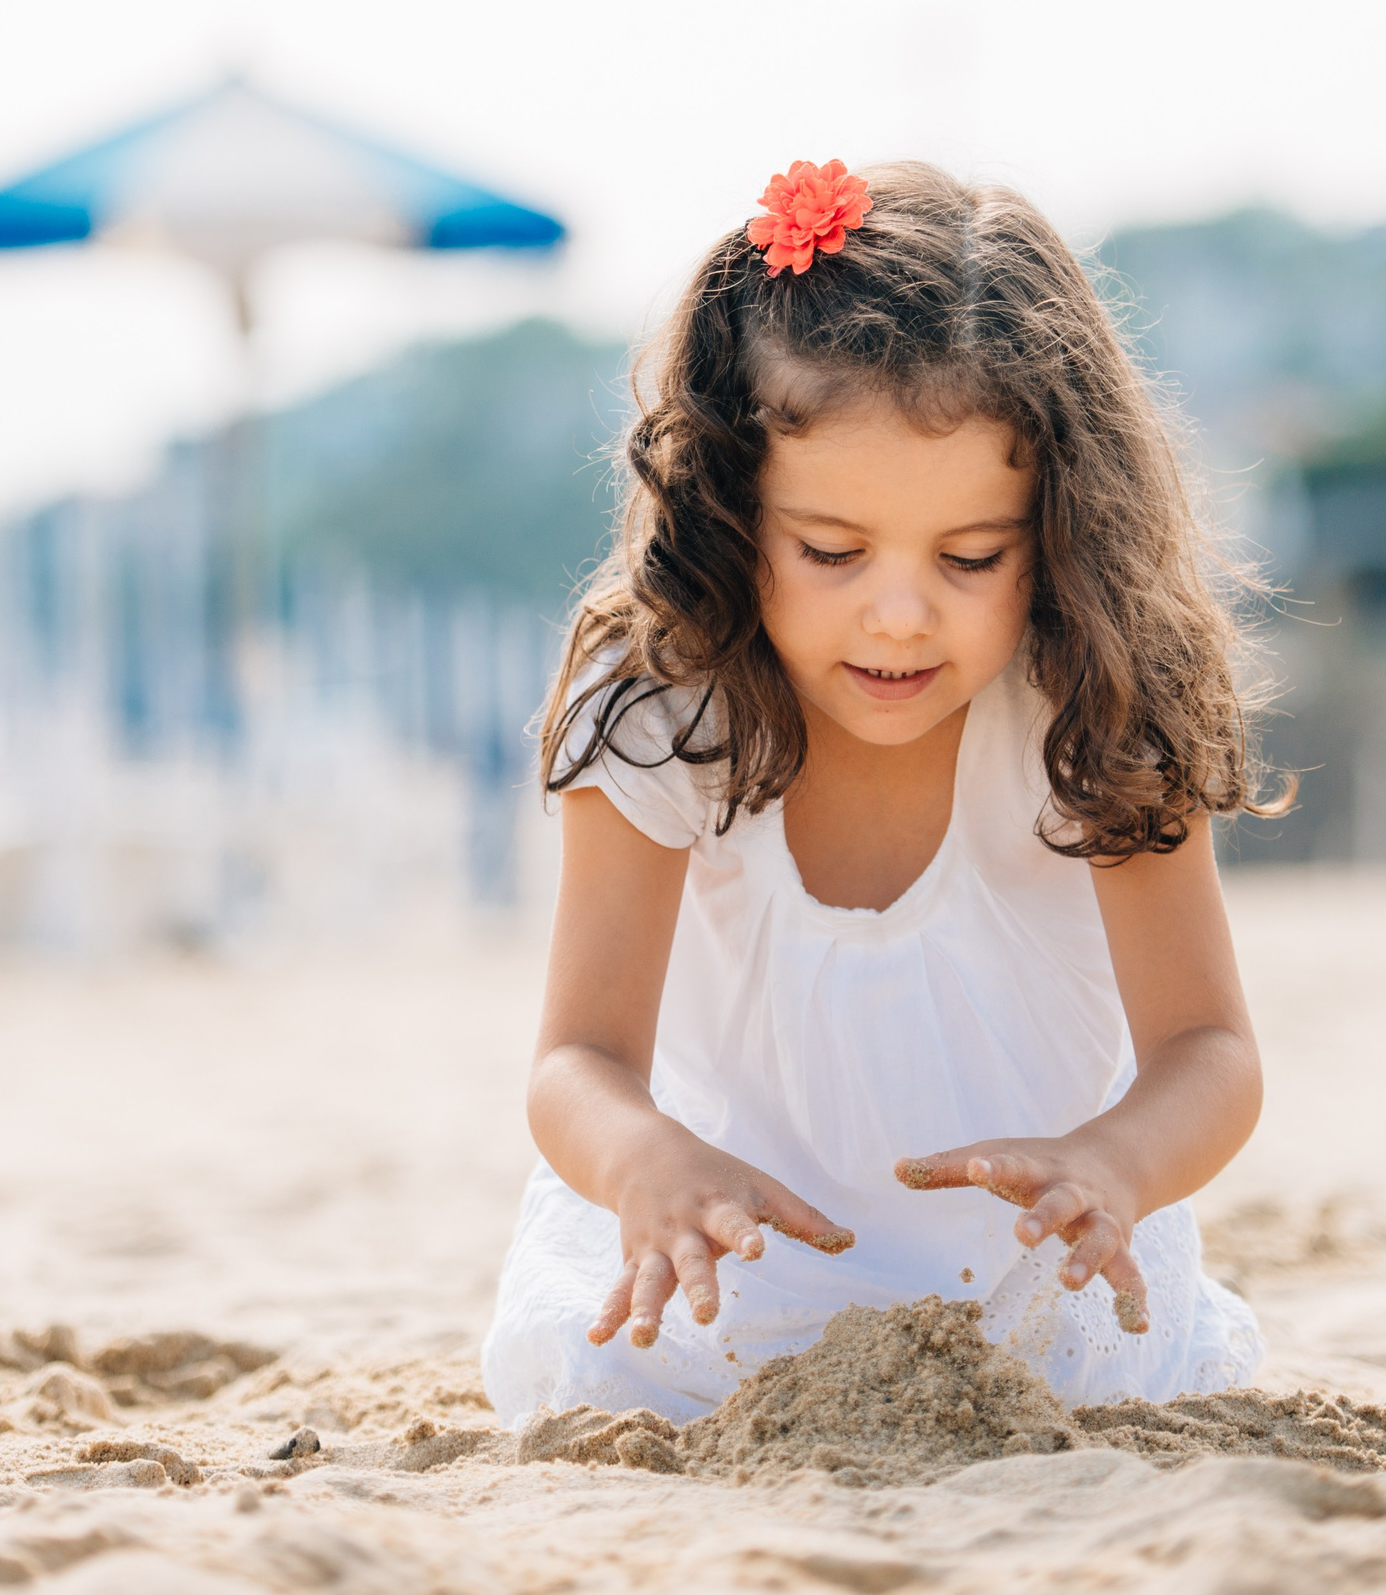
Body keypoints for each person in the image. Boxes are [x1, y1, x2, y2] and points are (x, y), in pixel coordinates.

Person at [481, 161, 1283, 1424]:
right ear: (730, 510)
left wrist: (1116, 1162)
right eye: (830, 551)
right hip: (720, 1298)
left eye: (970, 556)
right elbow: (577, 1058)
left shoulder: (1089, 705)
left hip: (1039, 1305)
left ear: (1059, 526)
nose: (899, 614)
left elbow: (1210, 1050)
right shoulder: (661, 709)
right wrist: (643, 1159)